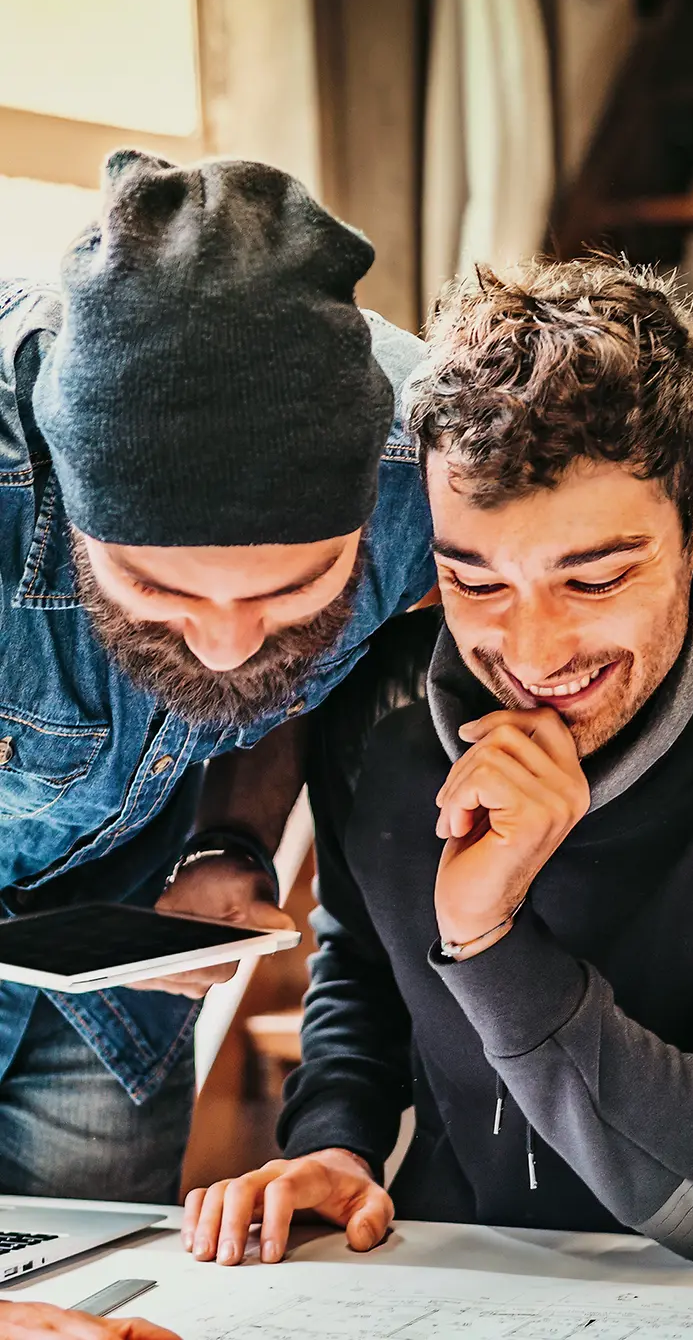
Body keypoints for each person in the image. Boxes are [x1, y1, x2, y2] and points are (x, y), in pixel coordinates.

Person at [181, 256, 693, 1269]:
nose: (534, 652)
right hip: (462, 1275)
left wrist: (488, 939)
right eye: (474, 583)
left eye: (594, 580)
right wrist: (335, 1141)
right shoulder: (378, 697)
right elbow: (364, 961)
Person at [0, 147, 435, 1220]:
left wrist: (227, 846)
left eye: (295, 592)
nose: (232, 649)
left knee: (85, 1279)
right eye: (157, 591)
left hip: (113, 982)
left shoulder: (435, 469)